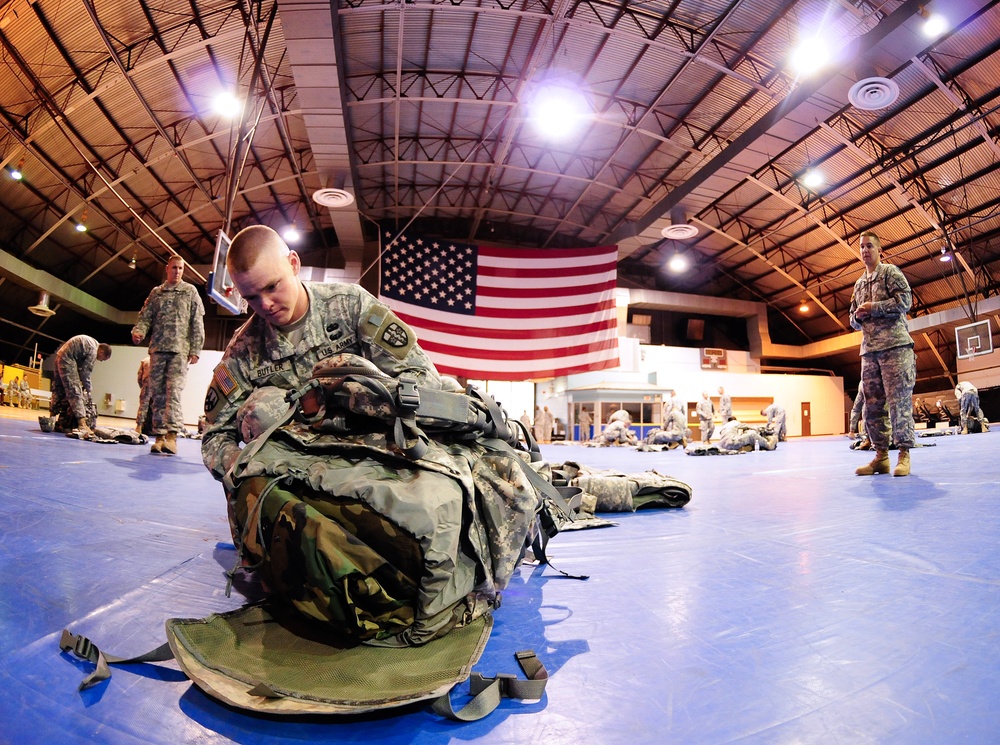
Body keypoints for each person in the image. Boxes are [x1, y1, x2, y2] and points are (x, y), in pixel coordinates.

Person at [201, 224, 447, 482]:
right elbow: (215, 435)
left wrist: (361, 401)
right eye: (250, 297)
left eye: (272, 286)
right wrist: (247, 471)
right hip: (295, 472)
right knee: (263, 408)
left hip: (371, 458)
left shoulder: (351, 305)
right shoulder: (244, 348)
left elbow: (424, 378)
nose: (265, 304)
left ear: (293, 264)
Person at [849, 231, 916, 477]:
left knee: (899, 403)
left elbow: (904, 302)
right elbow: (852, 320)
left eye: (869, 246)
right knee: (872, 407)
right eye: (862, 247)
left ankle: (904, 455)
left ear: (879, 250)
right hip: (869, 353)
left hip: (895, 349)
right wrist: (858, 316)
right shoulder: (858, 284)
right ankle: (881, 456)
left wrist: (874, 308)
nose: (865, 250)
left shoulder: (891, 273)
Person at [131, 255, 206, 455]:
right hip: (157, 349)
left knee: (173, 393)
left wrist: (196, 349)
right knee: (157, 394)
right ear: (167, 269)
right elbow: (145, 317)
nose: (177, 271)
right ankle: (159, 437)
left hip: (179, 351)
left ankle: (172, 437)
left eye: (181, 268)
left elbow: (197, 322)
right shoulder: (157, 293)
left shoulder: (190, 292)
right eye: (174, 268)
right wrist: (139, 332)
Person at [49, 335, 112, 436]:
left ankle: (51, 419)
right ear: (101, 352)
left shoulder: (91, 342)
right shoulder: (93, 350)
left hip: (59, 356)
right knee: (75, 391)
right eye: (102, 359)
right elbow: (86, 372)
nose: (100, 361)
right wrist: (89, 388)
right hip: (68, 359)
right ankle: (82, 423)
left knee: (58, 389)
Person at [135, 356, 153, 435]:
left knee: (143, 406)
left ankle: (139, 426)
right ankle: (156, 428)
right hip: (159, 387)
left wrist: (141, 385)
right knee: (157, 407)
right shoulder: (162, 359)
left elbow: (139, 375)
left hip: (146, 384)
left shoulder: (145, 360)